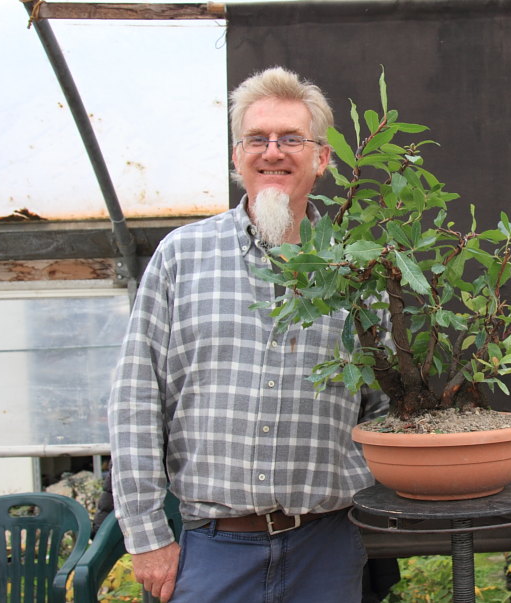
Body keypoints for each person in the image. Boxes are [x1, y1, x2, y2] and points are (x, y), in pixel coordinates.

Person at [109, 67, 389, 603]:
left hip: (328, 547)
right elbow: (136, 400)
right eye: (257, 139)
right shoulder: (181, 257)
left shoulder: (361, 267)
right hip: (210, 551)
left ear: (322, 158)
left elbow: (382, 410)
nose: (272, 152)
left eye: (291, 139)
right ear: (237, 157)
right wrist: (147, 537)